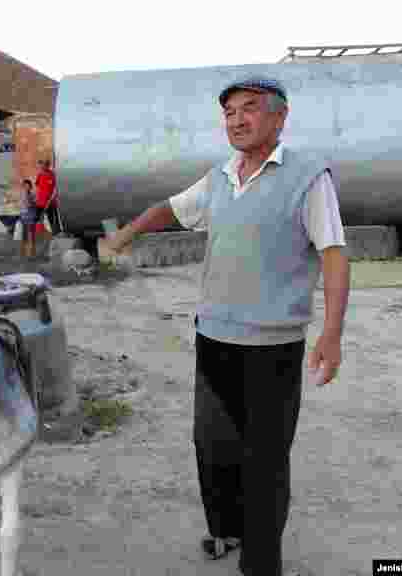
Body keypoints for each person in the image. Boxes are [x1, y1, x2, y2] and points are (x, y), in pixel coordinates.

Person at [103, 76, 351, 576]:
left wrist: (331, 333)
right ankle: (227, 528)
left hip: (271, 349)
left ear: (279, 118)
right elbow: (171, 209)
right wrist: (125, 234)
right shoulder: (221, 176)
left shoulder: (308, 177)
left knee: (265, 462)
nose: (238, 119)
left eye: (250, 109)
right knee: (212, 447)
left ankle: (261, 563)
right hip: (214, 340)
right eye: (230, 112)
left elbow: (334, 254)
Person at [34, 158, 62, 234]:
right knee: (37, 218)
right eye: (42, 165)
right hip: (40, 202)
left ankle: (56, 232)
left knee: (52, 219)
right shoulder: (40, 174)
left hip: (50, 203)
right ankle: (36, 233)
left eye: (46, 165)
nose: (43, 167)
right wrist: (36, 198)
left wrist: (51, 199)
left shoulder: (52, 175)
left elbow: (55, 189)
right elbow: (37, 187)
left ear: (48, 166)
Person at [18, 178, 39, 257]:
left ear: (30, 186)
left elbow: (35, 204)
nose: (27, 187)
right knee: (24, 233)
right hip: (24, 215)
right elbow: (22, 205)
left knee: (32, 232)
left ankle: (32, 250)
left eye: (28, 186)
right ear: (23, 186)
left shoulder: (33, 194)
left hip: (31, 215)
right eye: (25, 186)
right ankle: (23, 250)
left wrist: (31, 203)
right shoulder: (22, 194)